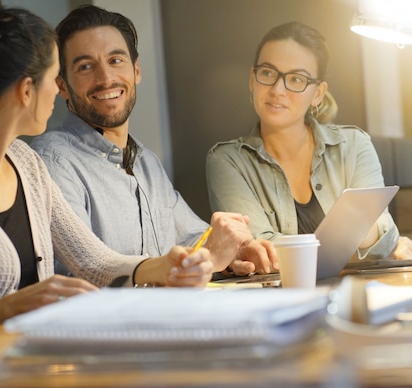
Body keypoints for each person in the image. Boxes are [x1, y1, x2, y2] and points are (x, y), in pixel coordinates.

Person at [0, 0, 214, 324]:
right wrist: (7, 308)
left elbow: (92, 263)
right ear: (27, 91)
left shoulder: (25, 164)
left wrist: (162, 266)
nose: (57, 93)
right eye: (54, 78)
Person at [30, 5, 276, 276]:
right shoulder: (51, 161)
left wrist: (232, 253)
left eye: (115, 61)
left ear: (136, 71)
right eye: (86, 66)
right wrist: (209, 256)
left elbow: (192, 239)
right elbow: (84, 272)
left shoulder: (146, 162)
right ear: (62, 85)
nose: (106, 79)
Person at [206, 21, 412, 261]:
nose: (278, 89)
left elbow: (383, 234)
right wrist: (358, 237)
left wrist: (382, 239)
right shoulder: (227, 161)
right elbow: (259, 248)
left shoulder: (353, 145)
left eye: (296, 79)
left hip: (352, 290)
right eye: (267, 73)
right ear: (252, 79)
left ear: (317, 93)